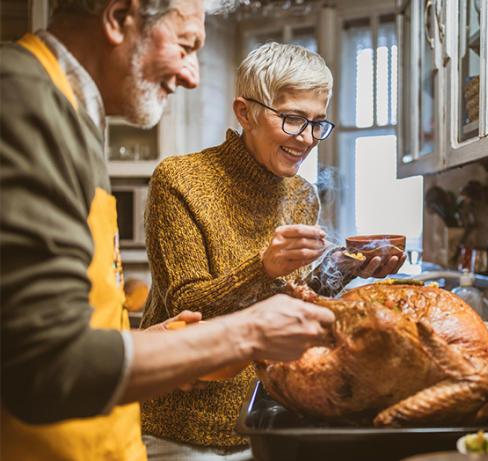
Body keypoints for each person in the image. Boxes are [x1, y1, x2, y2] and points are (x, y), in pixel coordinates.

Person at [0, 2, 335, 460]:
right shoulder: (24, 97)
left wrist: (158, 340)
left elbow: (78, 323)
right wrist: (248, 329)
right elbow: (44, 362)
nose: (193, 76)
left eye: (317, 124)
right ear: (119, 18)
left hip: (109, 437)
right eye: (185, 45)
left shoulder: (71, 112)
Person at [140, 42, 407, 458]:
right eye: (293, 119)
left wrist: (343, 268)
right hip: (182, 429)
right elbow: (186, 312)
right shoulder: (179, 180)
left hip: (269, 414)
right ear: (245, 113)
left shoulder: (302, 195)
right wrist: (262, 267)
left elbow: (294, 297)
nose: (308, 139)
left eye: (318, 123)